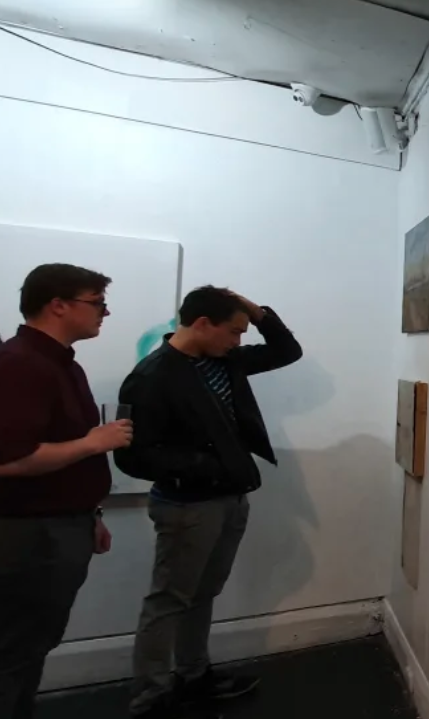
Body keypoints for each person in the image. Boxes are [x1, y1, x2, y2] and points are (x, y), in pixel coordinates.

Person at [115, 286, 302, 719]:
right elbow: (132, 456)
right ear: (202, 324)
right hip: (188, 506)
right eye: (234, 331)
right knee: (169, 600)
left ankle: (194, 675)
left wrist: (255, 311)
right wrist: (208, 465)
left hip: (230, 498)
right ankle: (151, 698)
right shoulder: (151, 376)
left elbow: (287, 351)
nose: (238, 341)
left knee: (203, 593)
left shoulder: (225, 359)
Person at [0, 264, 133, 719]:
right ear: (57, 305)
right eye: (97, 303)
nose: (104, 313)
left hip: (59, 527)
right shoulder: (20, 364)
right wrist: (93, 443)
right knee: (14, 649)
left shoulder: (62, 364)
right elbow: (9, 460)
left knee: (30, 645)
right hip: (26, 534)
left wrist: (90, 514)